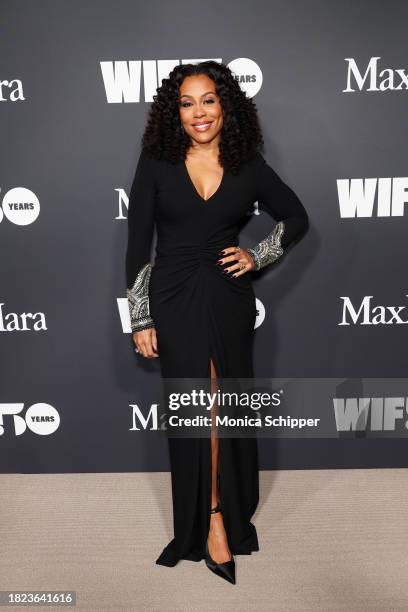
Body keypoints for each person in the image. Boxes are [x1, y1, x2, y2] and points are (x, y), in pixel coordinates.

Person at [125, 60, 309, 585]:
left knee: (222, 403)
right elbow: (138, 243)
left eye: (208, 100)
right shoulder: (157, 161)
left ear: (225, 105)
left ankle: (225, 510)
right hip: (175, 292)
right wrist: (140, 315)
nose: (198, 113)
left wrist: (258, 255)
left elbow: (295, 216)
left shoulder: (246, 161)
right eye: (187, 103)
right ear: (173, 111)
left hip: (228, 295)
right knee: (194, 405)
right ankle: (207, 519)